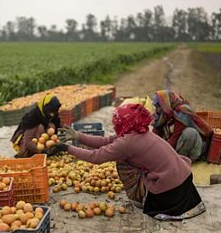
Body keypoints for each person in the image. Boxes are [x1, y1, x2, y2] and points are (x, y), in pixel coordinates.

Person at [57, 103, 206, 221]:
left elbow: (96, 157)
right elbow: (106, 141)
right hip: (184, 183)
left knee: (122, 161)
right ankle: (146, 194)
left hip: (169, 193)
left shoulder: (127, 143)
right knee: (127, 158)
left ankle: (141, 198)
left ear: (123, 122)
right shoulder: (140, 131)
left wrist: (66, 148)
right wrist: (77, 136)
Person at [152, 90, 213, 162]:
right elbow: (155, 134)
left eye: (159, 106)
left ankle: (181, 162)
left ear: (165, 103)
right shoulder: (164, 113)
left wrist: (161, 155)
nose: (157, 109)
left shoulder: (181, 112)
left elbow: (175, 137)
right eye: (156, 106)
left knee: (190, 133)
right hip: (178, 144)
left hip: (195, 147)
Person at [11, 93, 62, 158]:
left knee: (51, 126)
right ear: (44, 107)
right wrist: (42, 151)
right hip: (26, 142)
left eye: (53, 112)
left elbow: (54, 133)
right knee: (40, 127)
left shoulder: (54, 114)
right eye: (50, 112)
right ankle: (32, 153)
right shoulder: (33, 117)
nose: (52, 114)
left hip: (41, 142)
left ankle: (45, 151)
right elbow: (27, 141)